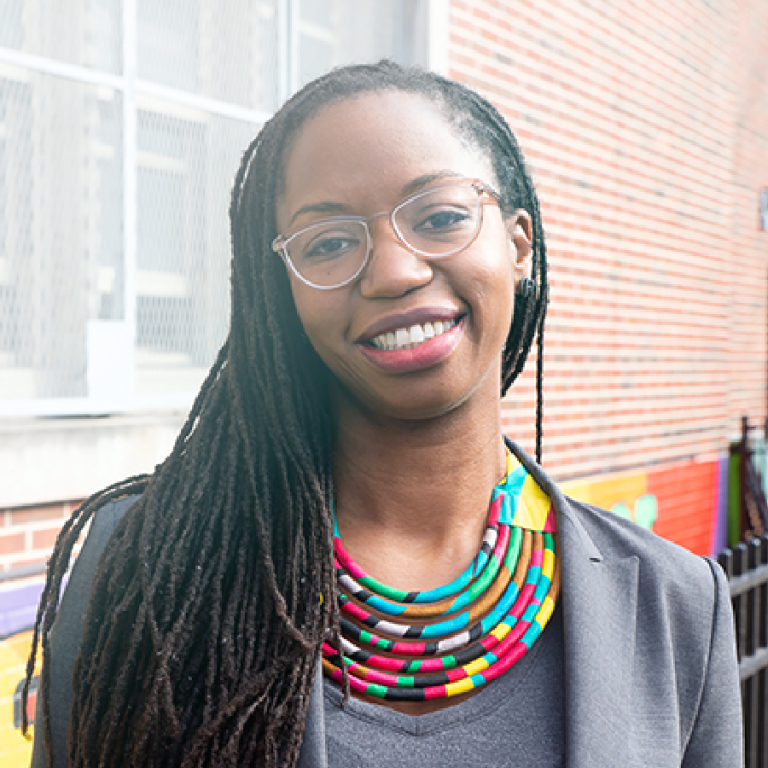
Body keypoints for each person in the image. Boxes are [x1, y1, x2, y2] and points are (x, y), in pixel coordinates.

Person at [26, 61, 742, 768]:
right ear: (285, 292)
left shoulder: (675, 605)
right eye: (329, 242)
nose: (395, 271)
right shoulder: (149, 572)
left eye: (440, 217)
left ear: (518, 244)